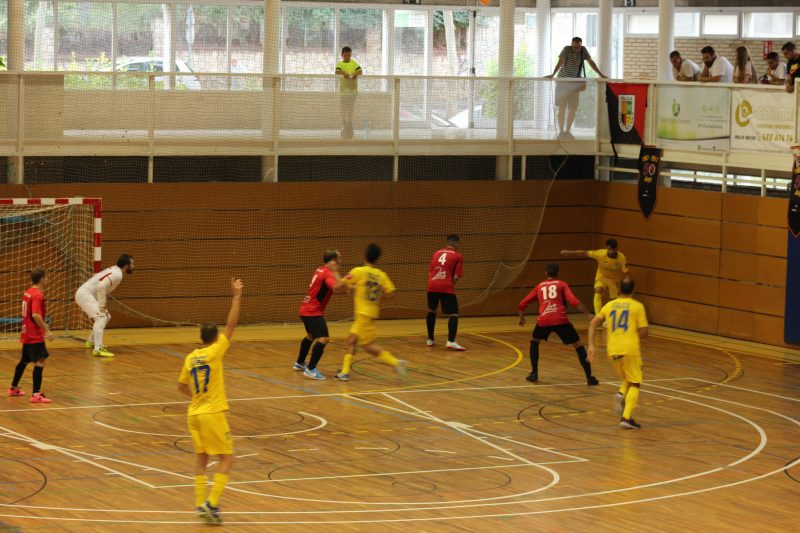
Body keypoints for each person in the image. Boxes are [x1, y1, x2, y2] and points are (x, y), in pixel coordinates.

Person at [178, 278, 243, 525]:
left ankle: (199, 506)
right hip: (212, 412)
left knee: (202, 460)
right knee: (227, 459)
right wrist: (236, 296)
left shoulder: (190, 358)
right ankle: (212, 503)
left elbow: (181, 386)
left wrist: (196, 397)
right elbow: (232, 325)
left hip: (193, 413)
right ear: (215, 338)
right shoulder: (215, 351)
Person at [517, 263, 598, 386]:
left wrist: (521, 317)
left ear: (546, 273)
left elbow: (522, 303)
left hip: (544, 320)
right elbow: (573, 301)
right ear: (558, 273)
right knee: (578, 345)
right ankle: (589, 377)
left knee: (534, 342)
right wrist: (587, 314)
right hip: (561, 320)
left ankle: (534, 373)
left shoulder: (539, 286)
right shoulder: (562, 284)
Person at [335, 244, 406, 382]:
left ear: (365, 255)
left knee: (367, 346)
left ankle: (396, 363)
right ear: (378, 258)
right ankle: (345, 372)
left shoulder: (358, 271)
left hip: (363, 314)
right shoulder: (381, 275)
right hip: (370, 313)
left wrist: (335, 273)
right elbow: (391, 292)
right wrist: (379, 298)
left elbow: (338, 286)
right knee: (351, 340)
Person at [587, 278, 649, 430]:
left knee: (627, 377)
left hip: (612, 350)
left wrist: (592, 345)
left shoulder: (609, 305)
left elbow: (593, 323)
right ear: (633, 290)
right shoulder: (637, 306)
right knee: (635, 382)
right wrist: (635, 330)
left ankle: (621, 394)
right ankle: (626, 418)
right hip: (630, 349)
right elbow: (644, 332)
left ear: (619, 289)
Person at [295, 250, 346, 380]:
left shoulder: (320, 270)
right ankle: (311, 369)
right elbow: (336, 287)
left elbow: (332, 289)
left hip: (305, 309)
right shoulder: (328, 273)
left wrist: (344, 289)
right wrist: (339, 276)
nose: (340, 261)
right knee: (324, 338)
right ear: (333, 260)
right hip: (313, 312)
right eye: (339, 259)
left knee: (311, 336)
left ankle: (300, 363)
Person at [546, 37, 607, 138]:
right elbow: (560, 62)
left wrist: (601, 74)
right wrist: (553, 74)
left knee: (573, 108)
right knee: (561, 108)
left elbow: (591, 62)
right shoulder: (566, 49)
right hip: (562, 83)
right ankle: (561, 132)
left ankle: (567, 131)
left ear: (581, 45)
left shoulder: (583, 50)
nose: (576, 50)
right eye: (574, 47)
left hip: (574, 84)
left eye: (578, 47)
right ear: (571, 44)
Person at [74, 254, 134, 358]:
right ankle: (98, 349)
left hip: (87, 295)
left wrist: (102, 305)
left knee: (107, 316)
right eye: (132, 264)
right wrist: (102, 305)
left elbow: (100, 286)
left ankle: (91, 342)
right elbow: (101, 286)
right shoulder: (117, 274)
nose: (133, 266)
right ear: (126, 266)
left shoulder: (115, 270)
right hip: (84, 295)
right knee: (101, 317)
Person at [8, 269, 54, 403]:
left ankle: (13, 388)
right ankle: (36, 394)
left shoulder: (28, 291)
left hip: (26, 332)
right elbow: (35, 315)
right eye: (47, 278)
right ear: (42, 279)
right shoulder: (38, 295)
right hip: (34, 334)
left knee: (24, 360)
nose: (48, 280)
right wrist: (47, 330)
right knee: (40, 362)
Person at [560, 239, 629, 316]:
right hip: (602, 277)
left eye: (613, 249)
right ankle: (598, 315)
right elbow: (584, 253)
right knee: (598, 290)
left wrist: (627, 283)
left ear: (616, 248)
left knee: (616, 299)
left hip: (614, 279)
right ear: (607, 248)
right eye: (609, 249)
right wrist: (568, 253)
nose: (611, 251)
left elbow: (626, 272)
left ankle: (616, 316)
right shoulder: (600, 254)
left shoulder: (621, 258)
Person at [426, 234, 465, 351]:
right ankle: (451, 341)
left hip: (432, 284)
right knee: (453, 314)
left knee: (431, 310)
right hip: (446, 285)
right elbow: (456, 276)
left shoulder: (436, 253)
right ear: (457, 243)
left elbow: (430, 272)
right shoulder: (458, 256)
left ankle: (430, 339)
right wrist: (450, 285)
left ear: (447, 242)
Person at [336, 46, 362, 139]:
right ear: (342, 55)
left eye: (349, 55)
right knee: (344, 107)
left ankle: (350, 123)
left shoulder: (354, 63)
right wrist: (344, 73)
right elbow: (337, 71)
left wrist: (355, 74)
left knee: (351, 107)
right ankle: (344, 123)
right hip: (343, 91)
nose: (347, 57)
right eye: (345, 55)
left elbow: (360, 71)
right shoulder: (340, 64)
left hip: (352, 91)